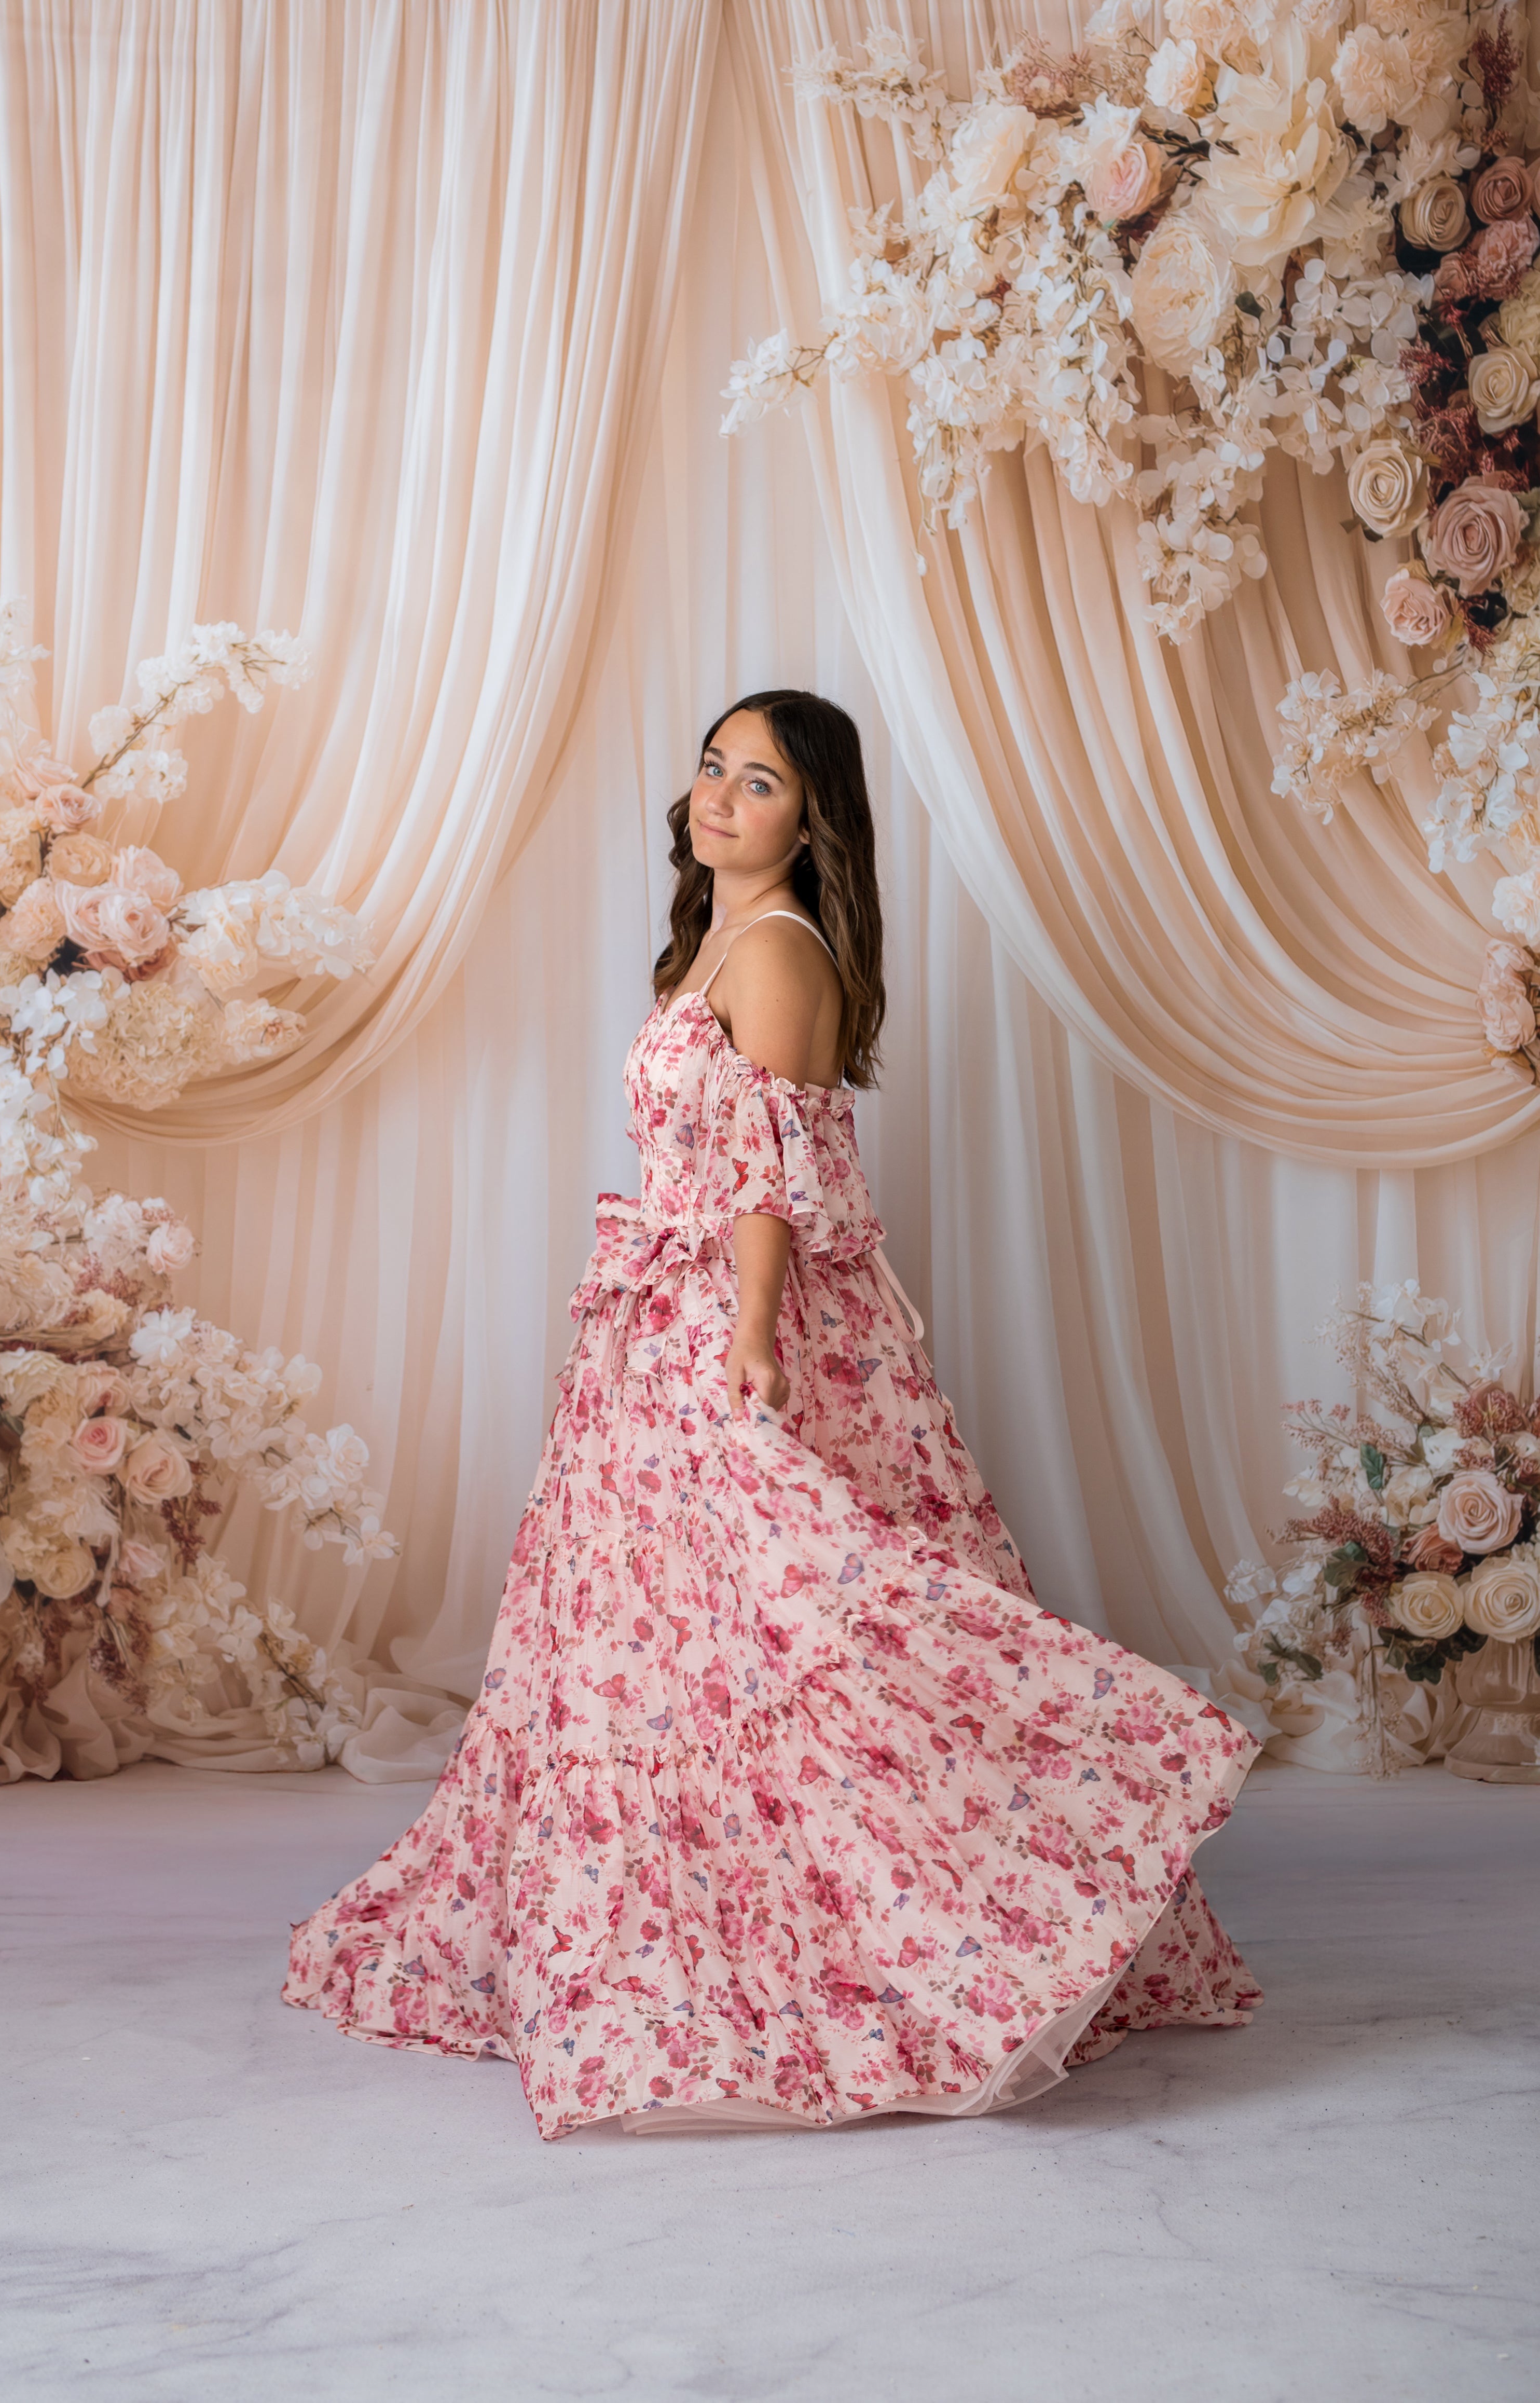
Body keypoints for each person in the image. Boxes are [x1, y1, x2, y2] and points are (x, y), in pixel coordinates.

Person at [284, 689, 1261, 2138]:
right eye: (712, 767)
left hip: (723, 1322)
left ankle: (957, 1911)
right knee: (664, 1642)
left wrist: (747, 1337)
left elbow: (772, 1175)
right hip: (650, 1327)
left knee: (815, 1624)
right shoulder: (713, 944)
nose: (721, 797)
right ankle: (677, 1925)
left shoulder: (783, 952)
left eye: (761, 782)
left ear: (813, 821)